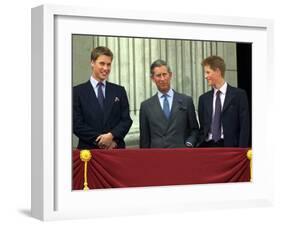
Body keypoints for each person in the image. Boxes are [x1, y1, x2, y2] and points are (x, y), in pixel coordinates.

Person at [73, 46, 133, 149]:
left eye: (108, 64)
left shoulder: (119, 91)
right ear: (92, 63)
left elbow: (126, 120)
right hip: (89, 152)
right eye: (102, 63)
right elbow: (76, 124)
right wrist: (101, 141)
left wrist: (112, 137)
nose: (105, 68)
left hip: (115, 149)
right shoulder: (77, 92)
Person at [139, 59, 199, 148]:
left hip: (181, 155)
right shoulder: (146, 106)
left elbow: (195, 130)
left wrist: (189, 144)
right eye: (158, 75)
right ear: (152, 78)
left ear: (170, 75)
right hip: (157, 157)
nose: (162, 79)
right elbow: (144, 139)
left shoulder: (186, 101)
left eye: (164, 74)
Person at [198, 55, 250, 147]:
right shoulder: (203, 99)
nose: (205, 76)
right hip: (207, 148)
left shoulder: (239, 95)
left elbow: (244, 126)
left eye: (208, 72)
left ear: (218, 71)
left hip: (230, 148)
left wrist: (242, 151)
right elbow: (203, 128)